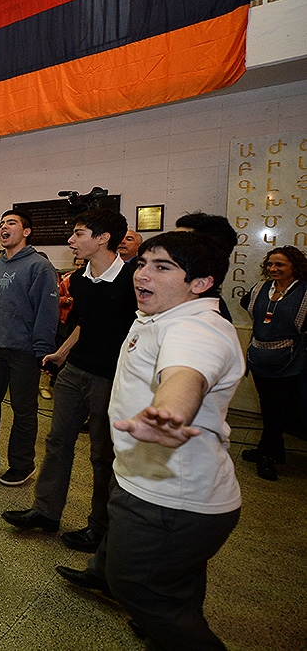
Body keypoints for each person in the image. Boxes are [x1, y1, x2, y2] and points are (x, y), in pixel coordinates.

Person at [56, 231, 245, 651]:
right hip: (146, 480)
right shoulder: (159, 315)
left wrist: (169, 413)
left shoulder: (197, 329)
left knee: (140, 589)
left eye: (162, 267)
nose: (142, 274)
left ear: (201, 283)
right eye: (142, 263)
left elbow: (185, 374)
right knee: (174, 588)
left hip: (170, 499)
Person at [2, 209, 135, 552]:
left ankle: (100, 528)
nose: (71, 240)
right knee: (57, 441)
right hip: (75, 371)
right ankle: (46, 512)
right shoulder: (79, 280)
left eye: (79, 234)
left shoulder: (132, 281)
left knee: (102, 455)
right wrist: (61, 353)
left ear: (103, 238)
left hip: (111, 377)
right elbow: (82, 324)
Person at [0, 210, 59, 485]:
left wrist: (43, 350)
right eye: (1, 223)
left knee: (23, 409)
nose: (4, 227)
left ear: (26, 232)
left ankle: (22, 463)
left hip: (24, 350)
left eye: (11, 223)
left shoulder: (39, 267)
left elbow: (47, 311)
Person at [238, 246, 307, 480]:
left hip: (289, 362)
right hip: (259, 360)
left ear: (295, 267)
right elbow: (246, 304)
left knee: (278, 410)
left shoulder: (304, 292)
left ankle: (266, 454)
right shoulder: (260, 288)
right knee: (268, 406)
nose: (273, 269)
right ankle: (274, 450)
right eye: (270, 264)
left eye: (280, 264)